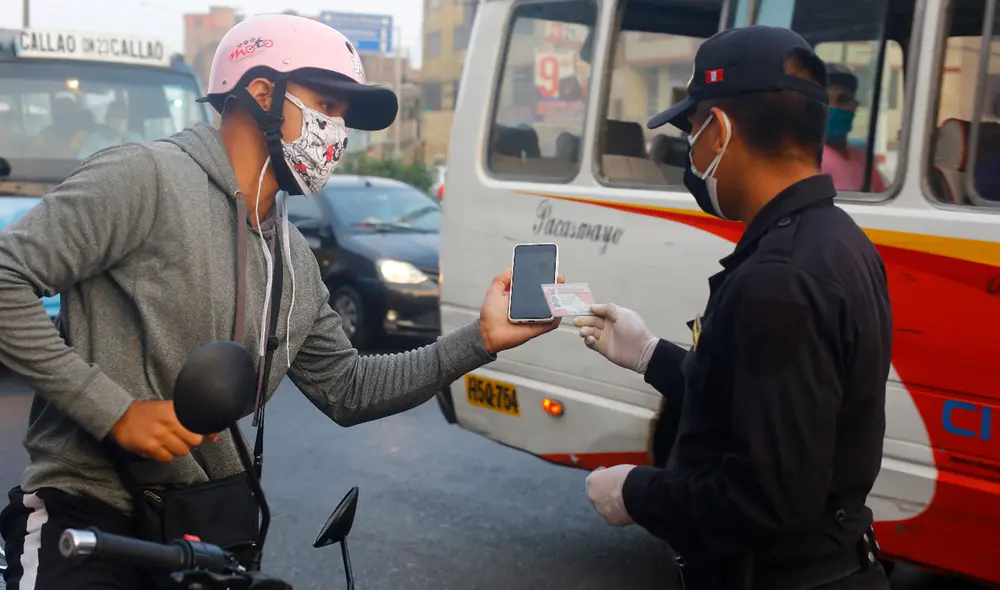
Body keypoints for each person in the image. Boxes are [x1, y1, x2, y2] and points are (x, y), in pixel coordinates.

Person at [0, 15, 560, 590]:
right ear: (261, 92)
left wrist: (483, 339)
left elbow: (349, 388)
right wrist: (114, 411)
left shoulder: (291, 252)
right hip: (89, 517)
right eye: (328, 105)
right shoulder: (145, 177)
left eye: (346, 117)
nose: (338, 132)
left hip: (203, 533)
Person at [575, 26, 892, 590]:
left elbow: (765, 498)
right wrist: (652, 356)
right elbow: (764, 402)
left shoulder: (779, 278)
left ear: (718, 131)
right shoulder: (838, 240)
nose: (690, 150)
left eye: (691, 130)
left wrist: (635, 492)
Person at [821, 64, 887, 192]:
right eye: (825, 100)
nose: (833, 107)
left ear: (855, 107)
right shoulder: (808, 161)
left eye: (843, 100)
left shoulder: (861, 158)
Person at [77, 100, 144, 159]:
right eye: (116, 116)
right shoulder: (94, 140)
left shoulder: (136, 140)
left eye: (124, 116)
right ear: (107, 120)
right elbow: (83, 163)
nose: (121, 121)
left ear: (128, 120)